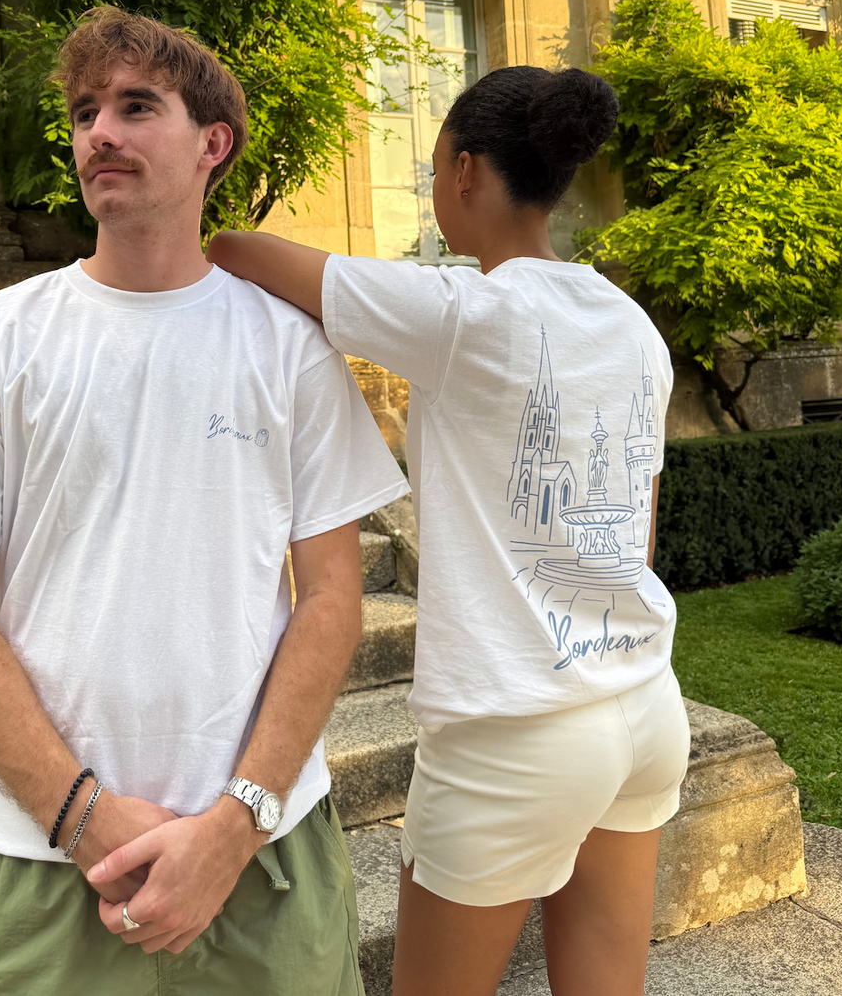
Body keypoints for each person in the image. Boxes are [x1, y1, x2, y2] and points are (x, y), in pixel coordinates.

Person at [0, 7, 409, 996]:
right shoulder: (0, 339)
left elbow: (330, 597)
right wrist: (81, 817)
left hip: (263, 854)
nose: (97, 133)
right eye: (83, 112)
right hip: (46, 858)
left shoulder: (285, 347)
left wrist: (237, 820)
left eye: (134, 106)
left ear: (213, 144)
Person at [206, 65, 691, 996]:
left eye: (434, 169)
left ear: (466, 171)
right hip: (643, 703)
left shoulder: (462, 312)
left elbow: (239, 250)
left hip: (515, 730)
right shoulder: (631, 324)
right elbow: (638, 530)